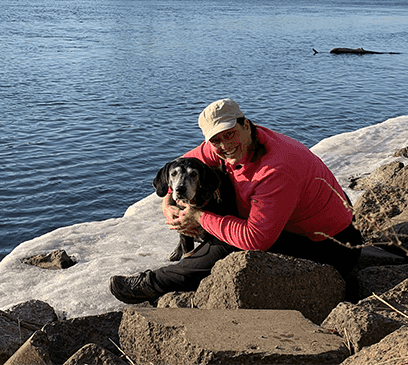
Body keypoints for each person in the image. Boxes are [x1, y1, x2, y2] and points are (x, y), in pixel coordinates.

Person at [109, 98, 362, 304]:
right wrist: (169, 204)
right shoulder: (226, 145)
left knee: (229, 241)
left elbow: (255, 239)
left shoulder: (276, 169)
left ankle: (151, 285)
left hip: (332, 247)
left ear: (247, 125)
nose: (224, 145)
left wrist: (200, 218)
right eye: (215, 140)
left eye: (229, 134)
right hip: (295, 226)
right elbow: (180, 166)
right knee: (221, 215)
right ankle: (192, 261)